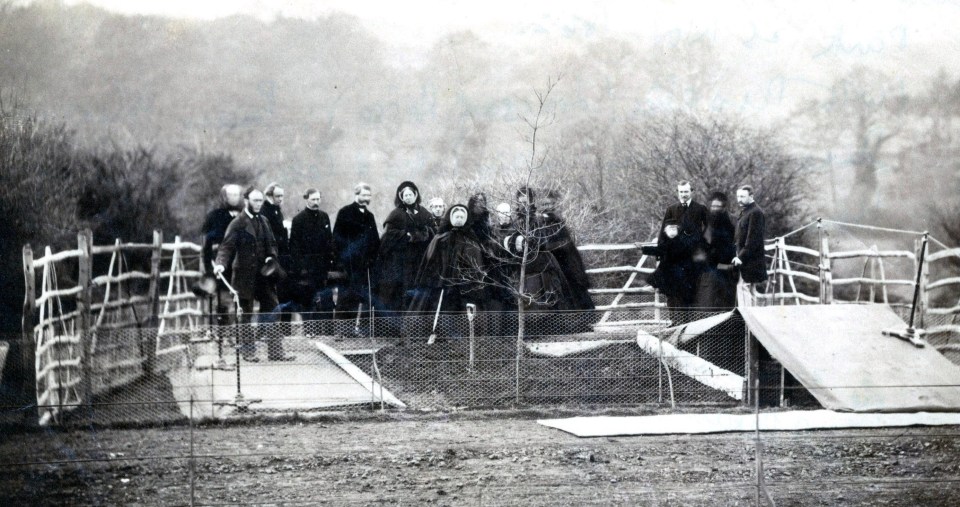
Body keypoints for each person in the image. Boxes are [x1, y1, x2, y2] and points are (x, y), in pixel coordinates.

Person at [213, 188, 293, 362]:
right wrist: (220, 264)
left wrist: (271, 256)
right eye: (255, 201)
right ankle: (248, 352)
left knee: (273, 309)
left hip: (264, 276)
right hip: (244, 277)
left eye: (260, 201)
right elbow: (226, 247)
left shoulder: (264, 220)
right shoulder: (238, 223)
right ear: (246, 200)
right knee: (245, 314)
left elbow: (272, 243)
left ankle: (276, 352)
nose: (258, 204)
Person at [407, 204, 487, 339]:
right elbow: (430, 261)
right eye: (456, 216)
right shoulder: (440, 238)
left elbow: (476, 264)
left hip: (464, 286)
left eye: (462, 216)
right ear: (450, 217)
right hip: (441, 284)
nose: (459, 219)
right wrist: (438, 277)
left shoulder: (471, 240)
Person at [642, 180, 708, 324]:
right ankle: (674, 321)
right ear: (677, 192)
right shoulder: (671, 209)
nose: (683, 194)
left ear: (691, 191)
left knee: (690, 290)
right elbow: (663, 231)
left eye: (686, 191)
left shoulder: (700, 209)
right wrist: (660, 253)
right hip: (674, 259)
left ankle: (689, 323)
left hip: (692, 259)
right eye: (681, 192)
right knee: (672, 291)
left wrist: (703, 246)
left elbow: (709, 229)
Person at [375, 181, 434, 320]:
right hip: (400, 260)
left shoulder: (424, 212)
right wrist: (407, 236)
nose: (408, 197)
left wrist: (422, 235)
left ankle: (417, 324)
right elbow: (388, 236)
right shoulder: (396, 214)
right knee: (399, 290)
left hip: (420, 259)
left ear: (416, 195)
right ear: (401, 197)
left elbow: (432, 231)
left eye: (410, 194)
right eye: (405, 195)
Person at [332, 182, 381, 323]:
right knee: (345, 297)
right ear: (356, 194)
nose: (367, 198)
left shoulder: (369, 216)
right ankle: (341, 329)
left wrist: (372, 259)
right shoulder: (345, 212)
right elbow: (336, 239)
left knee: (359, 297)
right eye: (364, 195)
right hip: (348, 264)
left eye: (369, 195)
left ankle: (352, 328)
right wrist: (341, 261)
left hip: (364, 266)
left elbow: (375, 240)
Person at [289, 188, 335, 321]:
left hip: (322, 267)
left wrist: (330, 260)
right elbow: (294, 246)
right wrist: (301, 267)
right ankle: (309, 330)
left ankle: (326, 332)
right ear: (306, 199)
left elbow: (329, 240)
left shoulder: (324, 216)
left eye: (318, 199)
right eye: (313, 199)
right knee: (308, 300)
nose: (316, 202)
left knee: (326, 298)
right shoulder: (298, 219)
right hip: (307, 268)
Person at [201, 183, 243, 325]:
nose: (234, 198)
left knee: (241, 300)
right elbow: (207, 245)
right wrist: (209, 268)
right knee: (222, 301)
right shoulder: (214, 216)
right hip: (221, 265)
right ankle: (223, 333)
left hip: (240, 264)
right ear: (224, 196)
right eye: (231, 195)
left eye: (236, 194)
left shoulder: (244, 215)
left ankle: (239, 333)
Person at [694, 191, 738, 310]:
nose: (715, 209)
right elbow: (702, 249)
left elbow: (731, 246)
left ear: (724, 208)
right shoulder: (707, 225)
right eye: (713, 206)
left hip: (726, 273)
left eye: (718, 207)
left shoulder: (730, 226)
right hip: (710, 271)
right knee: (709, 304)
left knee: (725, 304)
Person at [732, 185, 768, 306]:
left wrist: (740, 257)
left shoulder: (756, 213)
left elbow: (752, 240)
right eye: (738, 196)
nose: (739, 199)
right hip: (746, 258)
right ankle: (750, 322)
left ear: (751, 196)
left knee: (745, 290)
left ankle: (748, 321)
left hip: (750, 260)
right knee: (748, 290)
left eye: (742, 196)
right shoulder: (746, 211)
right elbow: (740, 236)